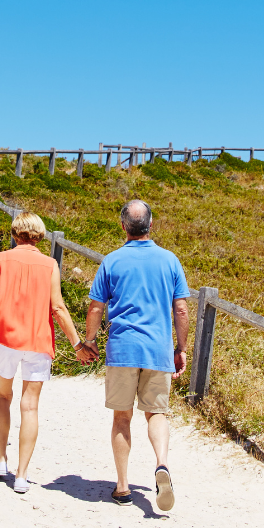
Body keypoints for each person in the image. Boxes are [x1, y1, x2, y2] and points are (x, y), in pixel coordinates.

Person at [79, 199, 190, 511]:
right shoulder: (170, 261)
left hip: (123, 349)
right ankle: (162, 464)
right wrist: (180, 348)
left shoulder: (111, 262)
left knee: (122, 416)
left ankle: (123, 487)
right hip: (157, 349)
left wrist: (89, 340)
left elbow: (96, 307)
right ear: (151, 225)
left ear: (123, 226)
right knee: (156, 413)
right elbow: (180, 308)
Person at [0, 212, 94, 494]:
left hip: (4, 338)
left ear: (15, 233)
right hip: (38, 342)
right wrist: (78, 345)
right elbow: (58, 308)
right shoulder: (50, 264)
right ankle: (22, 475)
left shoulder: (2, 259)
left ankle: (1, 460)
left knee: (3, 396)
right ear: (39, 235)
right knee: (30, 406)